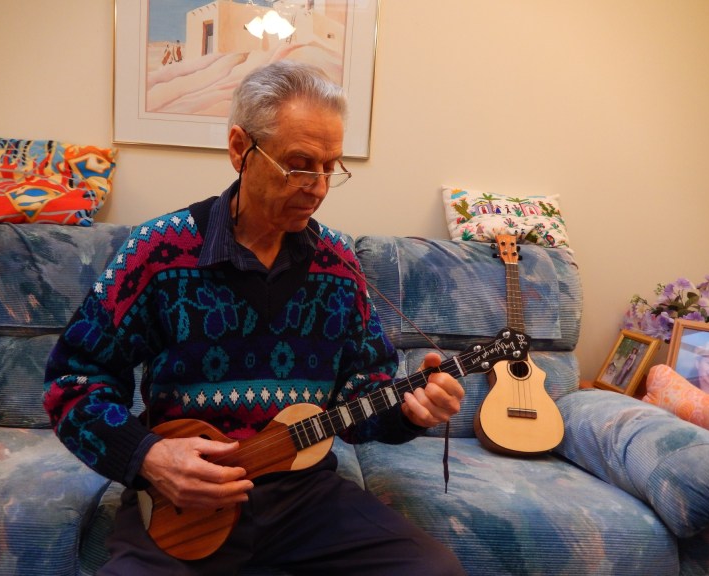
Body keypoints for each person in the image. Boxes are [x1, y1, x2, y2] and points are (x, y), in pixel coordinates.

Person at [44, 60, 466, 576]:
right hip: (185, 503)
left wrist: (410, 410)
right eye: (300, 163)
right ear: (240, 148)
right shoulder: (159, 251)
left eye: (331, 166)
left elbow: (363, 396)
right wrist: (149, 456)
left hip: (304, 498)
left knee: (434, 569)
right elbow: (73, 379)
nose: (318, 187)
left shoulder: (338, 263)